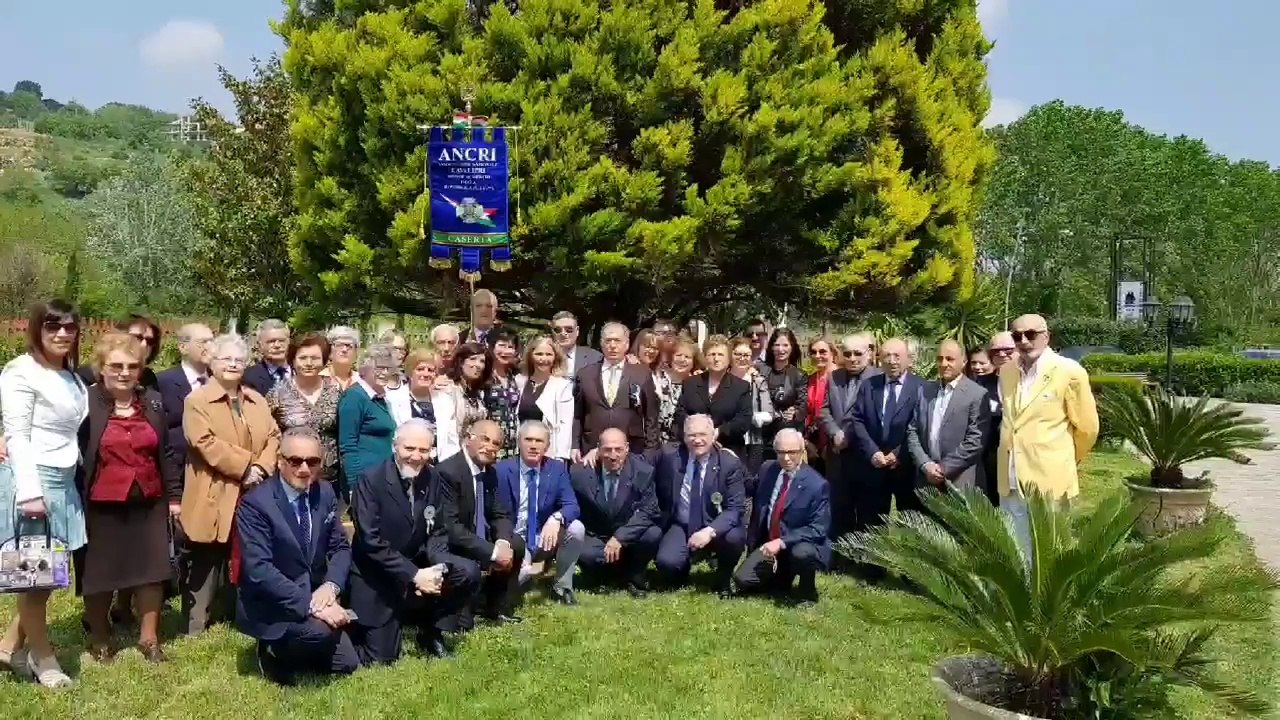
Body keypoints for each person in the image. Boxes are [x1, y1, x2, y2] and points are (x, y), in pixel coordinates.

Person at [76, 332, 181, 663]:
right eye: (116, 365)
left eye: (132, 366)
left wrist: (174, 497)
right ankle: (101, 637)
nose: (124, 372)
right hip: (99, 501)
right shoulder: (85, 402)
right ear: (101, 367)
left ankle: (149, 639)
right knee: (100, 572)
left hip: (149, 499)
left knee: (152, 570)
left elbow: (165, 451)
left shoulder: (151, 400)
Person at [0, 299, 89, 687]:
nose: (62, 334)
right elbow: (17, 434)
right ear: (37, 329)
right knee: (34, 579)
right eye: (53, 326)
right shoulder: (21, 371)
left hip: (64, 481)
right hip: (33, 482)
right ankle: (44, 658)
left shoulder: (70, 376)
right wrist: (30, 493)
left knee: (47, 576)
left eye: (69, 327)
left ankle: (8, 647)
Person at [235, 427, 359, 685]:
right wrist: (313, 605)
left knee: (347, 663)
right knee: (319, 634)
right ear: (280, 461)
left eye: (312, 462)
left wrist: (331, 586)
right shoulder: (255, 504)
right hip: (274, 603)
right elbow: (259, 570)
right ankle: (271, 649)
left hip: (315, 591)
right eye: (295, 461)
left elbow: (340, 547)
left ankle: (305, 642)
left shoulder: (324, 492)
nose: (304, 469)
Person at [348, 420, 478, 664]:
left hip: (417, 562)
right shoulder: (370, 480)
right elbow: (370, 541)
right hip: (376, 574)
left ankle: (431, 631)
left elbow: (438, 529)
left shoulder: (433, 477)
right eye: (409, 449)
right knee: (382, 658)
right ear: (394, 446)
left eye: (424, 450)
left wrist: (435, 568)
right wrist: (414, 574)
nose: (416, 457)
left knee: (466, 572)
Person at [182, 333, 281, 636]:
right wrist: (244, 466)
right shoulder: (197, 400)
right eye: (226, 359)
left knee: (248, 554)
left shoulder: (256, 399)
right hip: (213, 489)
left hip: (254, 489)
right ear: (212, 362)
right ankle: (195, 625)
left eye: (239, 360)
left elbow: (275, 436)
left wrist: (261, 467)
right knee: (207, 556)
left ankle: (240, 617)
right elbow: (204, 441)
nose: (233, 365)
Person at [998, 315, 1099, 556]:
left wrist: (1065, 459)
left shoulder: (1070, 371)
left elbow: (1087, 429)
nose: (1023, 341)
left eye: (1030, 334)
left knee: (1049, 552)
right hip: (1009, 478)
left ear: (1046, 336)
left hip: (1050, 479)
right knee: (1015, 548)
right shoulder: (1006, 372)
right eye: (1016, 336)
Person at [434, 420, 525, 625]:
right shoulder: (448, 472)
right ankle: (463, 608)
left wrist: (502, 542)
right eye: (485, 439)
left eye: (496, 443)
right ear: (468, 438)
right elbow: (450, 527)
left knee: (515, 544)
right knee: (464, 624)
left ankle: (496, 607)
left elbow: (499, 513)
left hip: (476, 535)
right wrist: (492, 552)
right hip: (453, 543)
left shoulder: (490, 473)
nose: (490, 447)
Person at [654, 415, 747, 596]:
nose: (697, 440)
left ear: (713, 436)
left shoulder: (729, 463)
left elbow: (735, 509)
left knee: (734, 537)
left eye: (703, 434)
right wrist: (596, 452)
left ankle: (723, 577)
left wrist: (709, 531)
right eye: (691, 435)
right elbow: (638, 464)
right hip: (681, 523)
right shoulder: (669, 456)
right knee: (666, 563)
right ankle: (682, 569)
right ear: (684, 437)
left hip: (715, 525)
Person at [733, 429, 829, 605]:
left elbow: (818, 529)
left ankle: (807, 592)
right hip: (767, 544)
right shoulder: (767, 469)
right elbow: (750, 487)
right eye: (781, 452)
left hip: (795, 545)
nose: (786, 458)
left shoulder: (817, 485)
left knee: (803, 554)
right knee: (742, 580)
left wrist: (782, 542)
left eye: (792, 452)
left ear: (802, 451)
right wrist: (732, 461)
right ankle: (779, 577)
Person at [848, 338, 923, 557]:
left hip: (906, 466)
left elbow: (921, 426)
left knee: (910, 519)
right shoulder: (869, 385)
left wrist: (899, 454)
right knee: (872, 517)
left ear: (908, 359)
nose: (891, 361)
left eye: (897, 356)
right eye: (886, 356)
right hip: (874, 464)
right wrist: (872, 452)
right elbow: (858, 420)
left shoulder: (922, 388)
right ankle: (873, 567)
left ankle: (912, 571)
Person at [496, 421, 584, 605]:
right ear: (519, 442)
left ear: (547, 446)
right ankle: (522, 573)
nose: (534, 445)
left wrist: (556, 518)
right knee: (510, 590)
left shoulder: (557, 469)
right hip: (515, 540)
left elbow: (572, 505)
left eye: (539, 441)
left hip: (544, 536)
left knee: (576, 528)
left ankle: (562, 586)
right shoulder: (501, 470)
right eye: (528, 440)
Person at [570, 428, 662, 598]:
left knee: (653, 534)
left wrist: (620, 537)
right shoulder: (579, 473)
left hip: (629, 534)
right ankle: (607, 574)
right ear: (598, 448)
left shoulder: (643, 471)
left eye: (618, 449)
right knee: (585, 552)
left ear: (627, 448)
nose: (613, 455)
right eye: (607, 449)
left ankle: (635, 575)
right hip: (597, 534)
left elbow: (650, 510)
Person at [905, 339, 991, 495]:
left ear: (964, 361)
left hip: (961, 481)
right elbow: (912, 431)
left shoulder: (977, 394)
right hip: (926, 482)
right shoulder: (925, 391)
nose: (944, 363)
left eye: (950, 359)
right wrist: (925, 465)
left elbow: (975, 441)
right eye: (940, 359)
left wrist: (944, 468)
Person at [819, 333, 880, 540]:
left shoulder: (878, 379)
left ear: (869, 353)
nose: (852, 358)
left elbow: (871, 416)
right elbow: (824, 410)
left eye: (857, 353)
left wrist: (848, 437)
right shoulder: (834, 377)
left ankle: (869, 563)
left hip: (865, 455)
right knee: (838, 507)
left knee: (868, 512)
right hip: (838, 457)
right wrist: (835, 432)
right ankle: (838, 556)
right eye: (847, 354)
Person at [572, 322, 659, 462]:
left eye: (617, 341)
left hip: (632, 450)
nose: (612, 345)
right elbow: (577, 414)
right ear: (601, 343)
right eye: (608, 341)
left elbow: (651, 416)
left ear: (626, 344)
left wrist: (650, 452)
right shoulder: (585, 374)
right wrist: (574, 445)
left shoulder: (642, 374)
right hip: (592, 448)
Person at [267, 333, 342, 487]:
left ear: (324, 360)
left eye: (314, 358)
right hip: (291, 479)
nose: (309, 363)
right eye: (302, 358)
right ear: (292, 361)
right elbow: (267, 433)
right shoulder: (277, 393)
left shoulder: (336, 391)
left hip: (330, 480)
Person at [673, 335, 751, 459]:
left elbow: (743, 420)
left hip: (727, 451)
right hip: (693, 450)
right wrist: (698, 433)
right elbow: (680, 413)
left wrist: (717, 432)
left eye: (720, 355)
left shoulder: (741, 387)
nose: (716, 359)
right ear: (705, 357)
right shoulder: (690, 383)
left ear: (729, 358)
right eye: (712, 354)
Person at [336, 344, 399, 495]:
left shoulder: (379, 398)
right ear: (364, 370)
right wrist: (354, 487)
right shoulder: (354, 397)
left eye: (388, 369)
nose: (384, 373)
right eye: (379, 368)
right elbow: (347, 445)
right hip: (364, 481)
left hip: (382, 478)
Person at [156, 322, 215, 469]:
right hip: (178, 468)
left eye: (212, 341)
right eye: (203, 342)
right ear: (183, 347)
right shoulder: (162, 382)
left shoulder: (221, 382)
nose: (210, 346)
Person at [515, 336, 574, 460]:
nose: (543, 359)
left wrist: (560, 457)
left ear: (555, 358)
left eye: (548, 354)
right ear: (531, 356)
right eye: (539, 354)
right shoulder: (519, 381)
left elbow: (565, 425)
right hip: (519, 452)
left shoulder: (562, 386)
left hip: (548, 454)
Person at [433, 342, 492, 460]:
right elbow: (445, 431)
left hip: (475, 458)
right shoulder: (447, 389)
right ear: (461, 362)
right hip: (452, 458)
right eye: (473, 359)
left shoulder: (478, 394)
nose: (478, 365)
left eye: (482, 361)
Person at [760, 327, 808, 460]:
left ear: (792, 347)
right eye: (777, 345)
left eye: (785, 345)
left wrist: (796, 412)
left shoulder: (798, 375)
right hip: (762, 437)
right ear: (771, 347)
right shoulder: (760, 370)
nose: (781, 349)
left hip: (786, 437)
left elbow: (803, 404)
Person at [729, 336, 774, 475]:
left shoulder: (758, 381)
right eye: (738, 354)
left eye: (746, 355)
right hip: (728, 439)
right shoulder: (722, 380)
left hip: (753, 441)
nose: (742, 358)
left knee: (750, 481)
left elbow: (769, 413)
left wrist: (752, 418)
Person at [487, 328, 522, 459]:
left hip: (513, 446)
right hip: (490, 444)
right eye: (501, 345)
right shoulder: (483, 376)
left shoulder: (515, 376)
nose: (506, 351)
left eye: (510, 347)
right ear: (491, 347)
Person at [803, 337, 836, 475]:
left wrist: (829, 445)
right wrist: (807, 443)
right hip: (813, 446)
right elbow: (807, 413)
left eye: (822, 352)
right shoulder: (810, 379)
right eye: (813, 352)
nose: (817, 356)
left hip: (835, 445)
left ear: (832, 353)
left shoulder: (840, 378)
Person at [390, 347, 440, 427]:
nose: (426, 374)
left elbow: (451, 436)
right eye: (420, 369)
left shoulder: (444, 401)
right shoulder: (394, 400)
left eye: (430, 370)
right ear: (410, 372)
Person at [243, 319, 292, 397]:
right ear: (259, 345)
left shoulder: (302, 372)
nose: (277, 345)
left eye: (282, 340)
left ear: (288, 341)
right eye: (271, 341)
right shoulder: (248, 378)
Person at [550, 311, 602, 376]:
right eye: (558, 330)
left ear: (577, 331)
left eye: (569, 329)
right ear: (552, 332)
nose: (563, 333)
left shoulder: (595, 357)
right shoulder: (543, 356)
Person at [323, 326, 362, 392]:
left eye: (349, 346)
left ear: (356, 352)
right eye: (339, 345)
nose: (344, 350)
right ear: (329, 350)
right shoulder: (318, 378)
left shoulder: (363, 381)